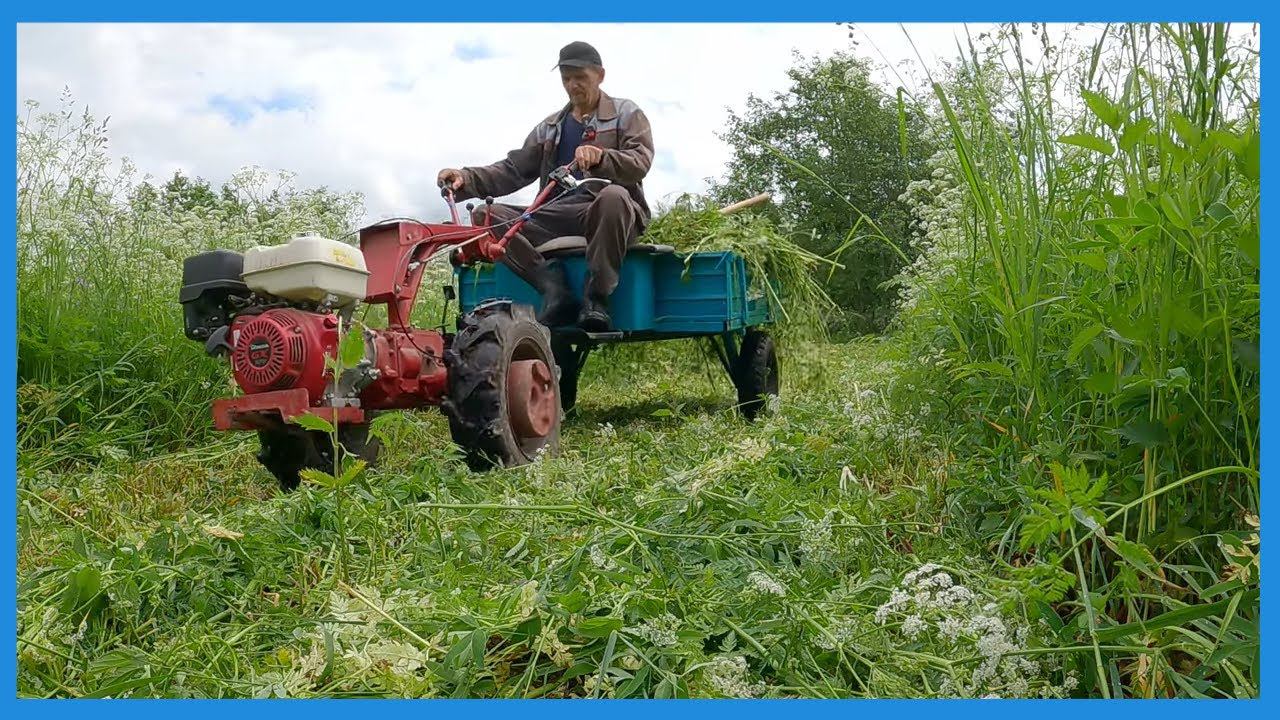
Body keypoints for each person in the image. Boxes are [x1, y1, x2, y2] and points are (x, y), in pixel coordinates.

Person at [437, 41, 654, 332]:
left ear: (600, 75)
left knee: (613, 195)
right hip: (558, 213)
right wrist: (467, 177)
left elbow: (640, 160)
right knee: (485, 217)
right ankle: (554, 289)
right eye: (566, 78)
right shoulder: (551, 127)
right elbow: (513, 169)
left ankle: (596, 300)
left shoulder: (626, 114)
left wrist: (603, 157)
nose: (573, 85)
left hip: (610, 213)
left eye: (581, 77)